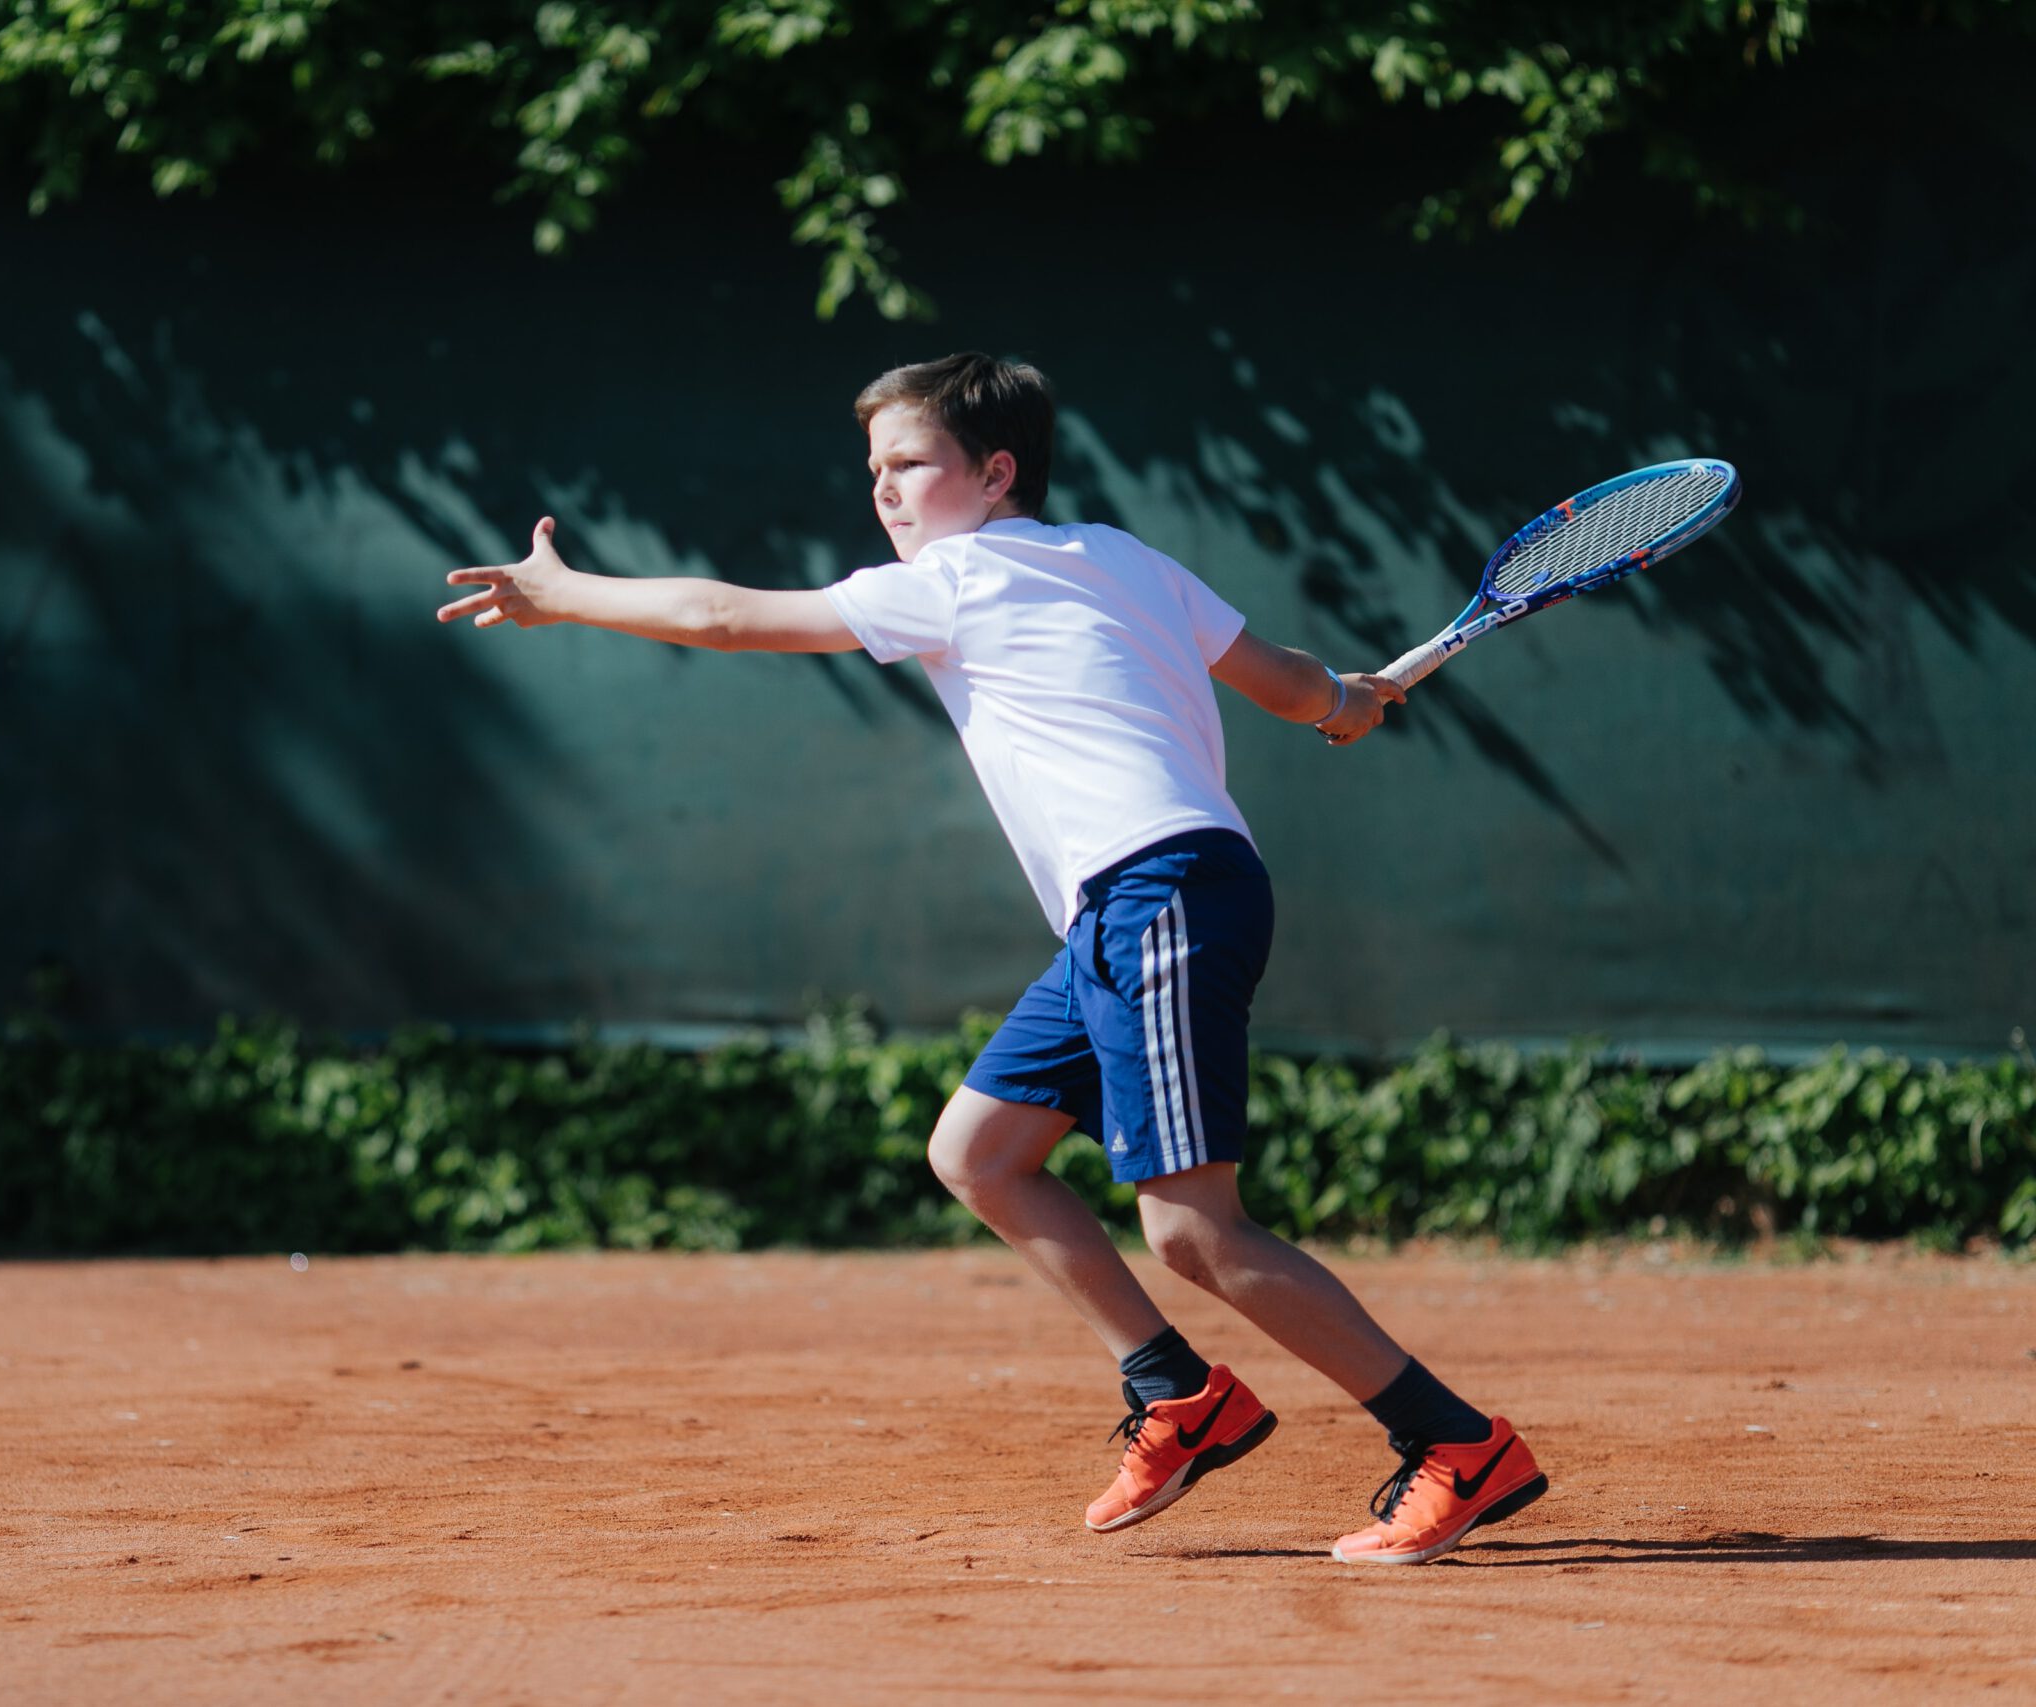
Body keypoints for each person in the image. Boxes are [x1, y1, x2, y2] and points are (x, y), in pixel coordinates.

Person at [435, 351, 1546, 1566]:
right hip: (1136, 904)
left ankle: (1454, 1443)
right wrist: (1349, 698)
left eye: (910, 463)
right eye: (874, 470)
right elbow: (1285, 685)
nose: (886, 492)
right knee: (978, 1151)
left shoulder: (958, 579)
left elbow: (720, 615)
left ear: (995, 471)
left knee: (1190, 1230)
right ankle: (1180, 1395)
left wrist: (565, 591)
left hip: (1160, 893)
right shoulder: (1124, 558)